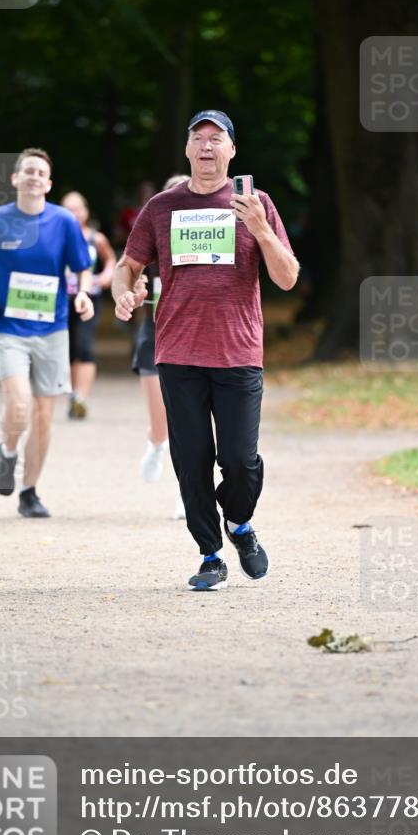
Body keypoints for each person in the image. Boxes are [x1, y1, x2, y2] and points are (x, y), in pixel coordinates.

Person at [112, 110, 299, 590]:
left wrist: (260, 228)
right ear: (187, 150)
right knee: (191, 458)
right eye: (199, 138)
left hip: (238, 352)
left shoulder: (255, 203)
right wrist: (123, 292)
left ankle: (239, 524)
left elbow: (286, 277)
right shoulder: (161, 207)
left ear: (232, 150)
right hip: (178, 352)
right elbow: (127, 266)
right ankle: (210, 554)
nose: (207, 146)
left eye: (217, 139)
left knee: (240, 460)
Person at [0, 148, 94, 517]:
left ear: (48, 184)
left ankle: (29, 492)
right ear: (15, 179)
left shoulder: (64, 221)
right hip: (8, 327)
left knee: (43, 413)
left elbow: (81, 266)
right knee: (19, 403)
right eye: (28, 171)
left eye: (41, 173)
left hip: (52, 328)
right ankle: (8, 451)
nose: (34, 177)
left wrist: (81, 292)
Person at [131, 174, 188, 519]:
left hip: (196, 336)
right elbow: (133, 275)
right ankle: (155, 444)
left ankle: (189, 493)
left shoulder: (212, 234)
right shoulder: (151, 235)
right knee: (162, 424)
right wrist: (135, 292)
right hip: (156, 336)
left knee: (190, 426)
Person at [60, 191, 116, 419]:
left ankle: (82, 397)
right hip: (61, 300)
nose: (74, 213)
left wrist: (106, 276)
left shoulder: (95, 238)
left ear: (85, 211)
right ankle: (74, 397)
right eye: (68, 208)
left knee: (84, 346)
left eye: (77, 208)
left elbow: (111, 259)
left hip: (89, 299)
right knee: (69, 349)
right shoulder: (55, 235)